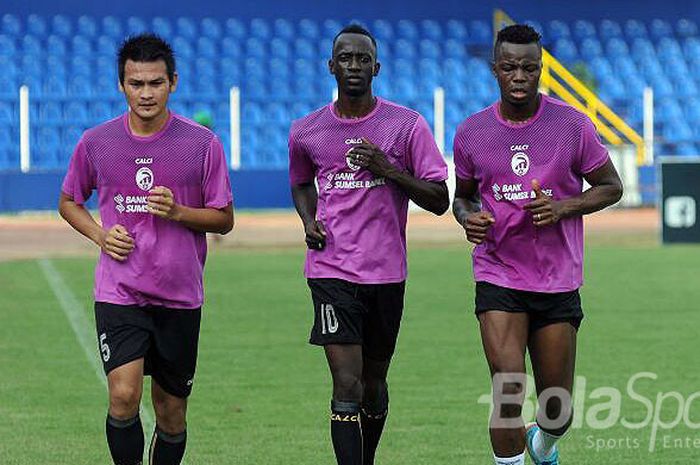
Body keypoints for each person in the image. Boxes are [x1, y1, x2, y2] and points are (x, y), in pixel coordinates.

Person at [58, 33, 234, 465]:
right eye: (136, 83)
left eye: (155, 83)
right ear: (122, 85)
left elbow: (224, 219)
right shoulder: (97, 142)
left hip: (179, 294)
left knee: (171, 412)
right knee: (123, 395)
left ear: (173, 82)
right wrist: (100, 235)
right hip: (120, 291)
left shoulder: (201, 144)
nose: (146, 93)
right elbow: (68, 201)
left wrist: (178, 212)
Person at [452, 24, 623, 465]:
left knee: (557, 410)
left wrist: (563, 208)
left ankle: (542, 445)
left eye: (529, 67)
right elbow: (464, 195)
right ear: (495, 69)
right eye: (509, 67)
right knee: (508, 388)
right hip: (499, 273)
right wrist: (470, 218)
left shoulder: (571, 125)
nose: (519, 76)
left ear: (541, 70)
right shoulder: (472, 132)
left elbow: (611, 186)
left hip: (556, 278)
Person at [288, 24, 449, 465]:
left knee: (374, 384)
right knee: (347, 384)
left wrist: (389, 168)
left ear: (376, 67)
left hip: (386, 274)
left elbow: (440, 200)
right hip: (330, 271)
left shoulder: (405, 126)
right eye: (346, 58)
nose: (354, 66)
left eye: (362, 59)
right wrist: (308, 218)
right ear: (331, 66)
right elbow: (302, 182)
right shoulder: (307, 131)